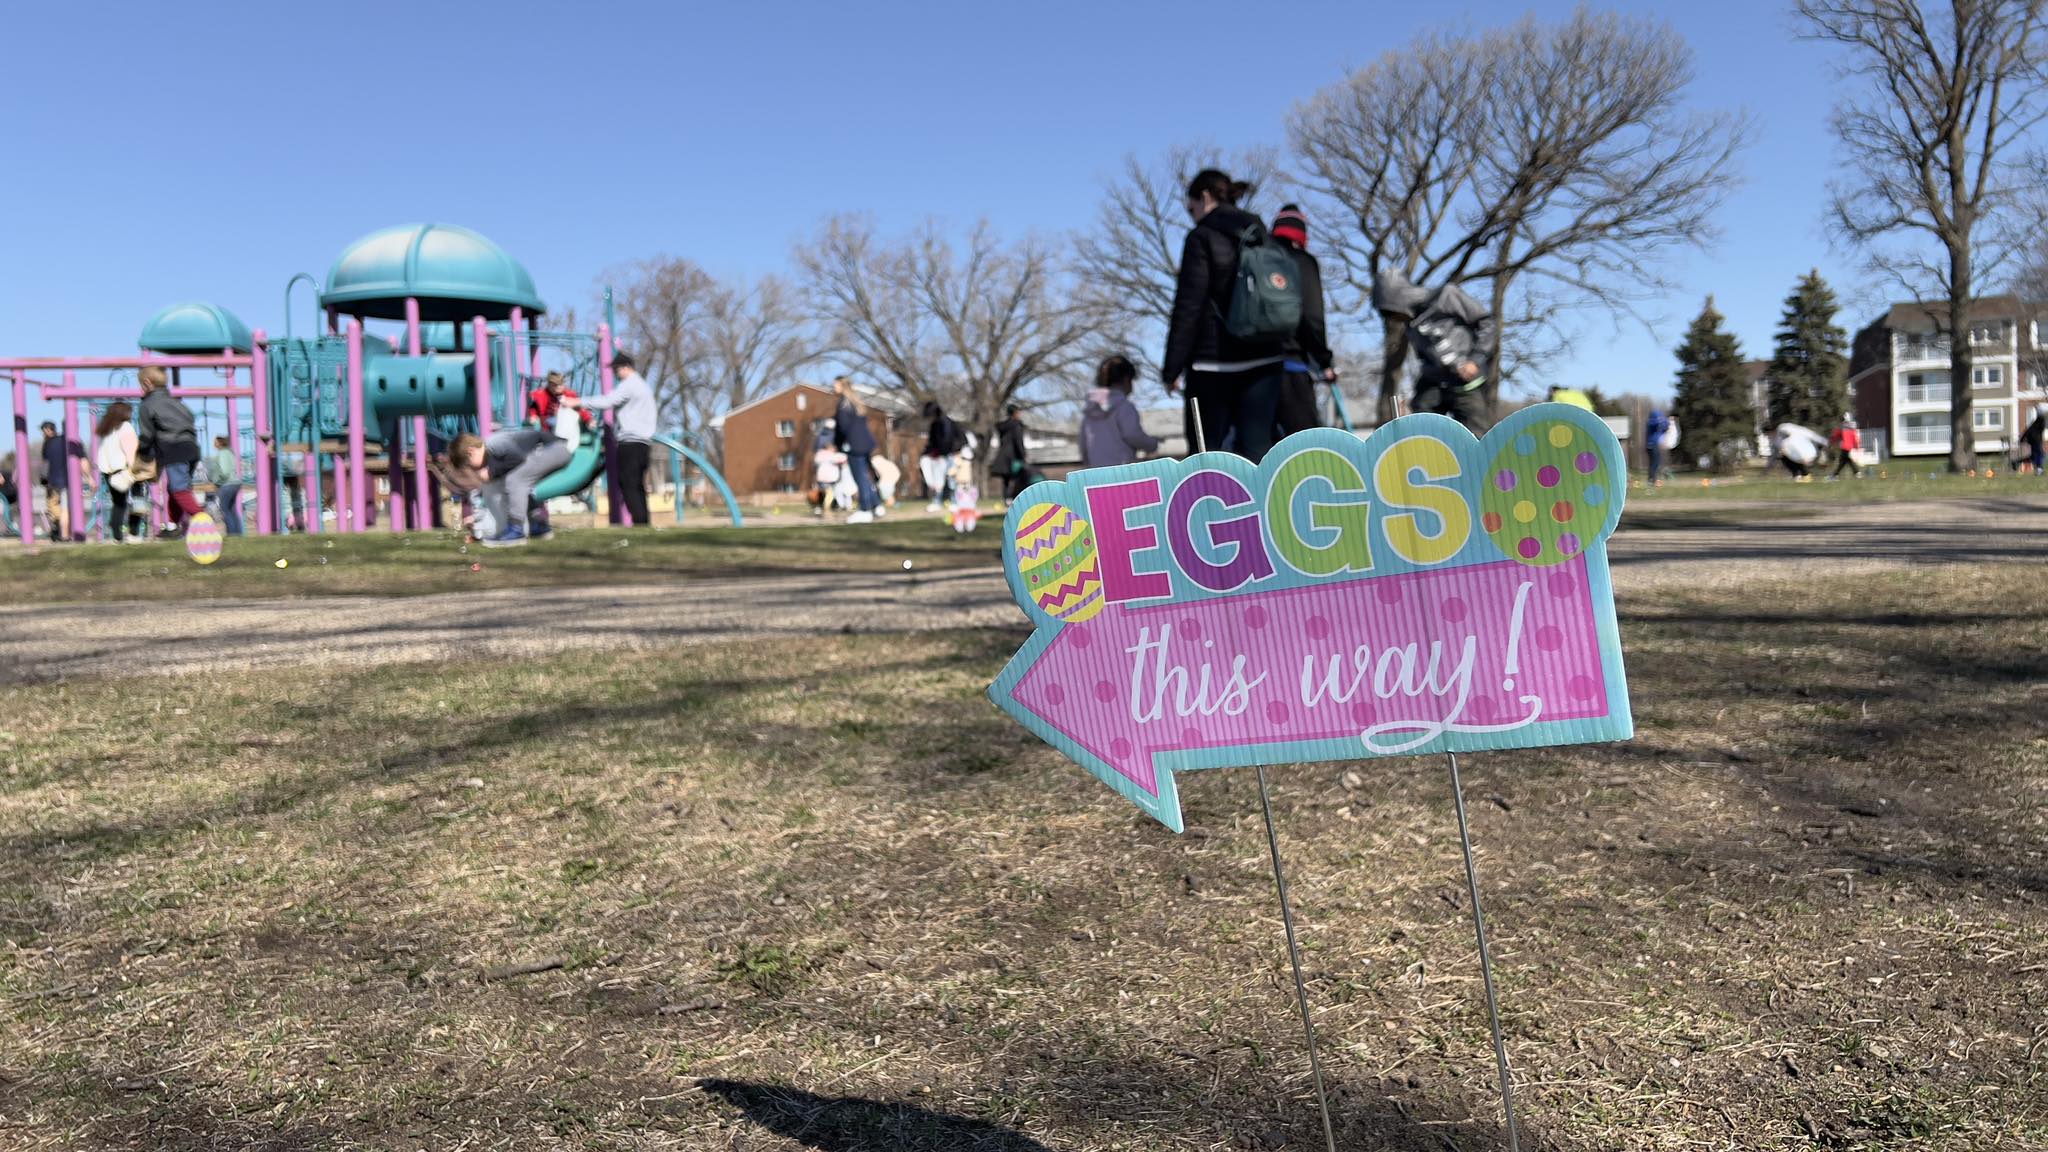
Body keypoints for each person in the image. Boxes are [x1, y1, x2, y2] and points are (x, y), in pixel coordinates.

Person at [1163, 169, 1289, 461]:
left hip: (1213, 363)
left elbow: (1189, 305)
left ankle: (1210, 507)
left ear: (1205, 196)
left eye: (1190, 206)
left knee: (1206, 457)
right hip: (1266, 355)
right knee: (1259, 452)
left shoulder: (1201, 237)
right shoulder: (1260, 233)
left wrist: (1172, 368)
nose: (1191, 214)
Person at [1373, 270, 1498, 433]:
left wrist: (1475, 359)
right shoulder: (1410, 323)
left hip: (1466, 381)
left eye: (1393, 313)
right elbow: (1424, 354)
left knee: (1476, 432)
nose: (1395, 319)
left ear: (1400, 300)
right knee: (1422, 423)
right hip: (1435, 380)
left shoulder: (1447, 296)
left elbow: (1486, 322)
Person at [1269, 204, 1336, 438]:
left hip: (1250, 373)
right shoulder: (1303, 262)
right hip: (1291, 365)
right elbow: (1312, 316)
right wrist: (1324, 360)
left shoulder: (1256, 260)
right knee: (1305, 450)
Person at [568, 352, 655, 526]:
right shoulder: (644, 386)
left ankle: (639, 522)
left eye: (616, 370)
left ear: (625, 367)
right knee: (637, 485)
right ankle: (644, 522)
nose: (615, 374)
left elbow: (608, 401)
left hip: (630, 442)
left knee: (628, 483)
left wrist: (577, 402)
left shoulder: (629, 385)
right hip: (644, 443)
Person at [136, 366, 203, 539]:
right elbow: (190, 419)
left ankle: (202, 518)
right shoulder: (177, 403)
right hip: (192, 448)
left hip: (173, 449)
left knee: (179, 489)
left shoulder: (147, 405)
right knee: (175, 488)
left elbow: (147, 434)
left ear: (147, 383)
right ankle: (172, 526)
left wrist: (142, 452)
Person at [1081, 354, 1162, 469]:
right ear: (1127, 380)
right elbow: (1132, 434)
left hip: (1096, 472)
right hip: (1122, 470)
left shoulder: (1090, 410)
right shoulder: (1124, 406)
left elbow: (1083, 444)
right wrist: (1152, 444)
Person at [832, 378, 882, 524]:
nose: (834, 387)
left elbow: (842, 428)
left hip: (854, 445)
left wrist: (839, 444)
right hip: (865, 444)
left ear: (842, 385)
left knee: (860, 478)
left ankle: (865, 510)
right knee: (865, 477)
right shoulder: (855, 403)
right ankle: (876, 505)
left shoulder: (843, 404)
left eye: (835, 384)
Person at [96, 402, 145, 543]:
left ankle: (117, 536)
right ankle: (134, 533)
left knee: (118, 504)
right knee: (138, 500)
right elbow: (131, 452)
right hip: (126, 470)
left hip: (109, 472)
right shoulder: (126, 428)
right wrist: (136, 470)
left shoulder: (107, 430)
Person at [37, 421, 86, 543]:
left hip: (53, 481)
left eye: (44, 430)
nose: (43, 433)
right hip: (63, 480)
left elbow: (45, 463)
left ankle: (62, 531)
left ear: (49, 430)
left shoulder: (49, 443)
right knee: (61, 508)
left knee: (56, 508)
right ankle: (63, 531)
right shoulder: (67, 441)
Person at [919, 401, 967, 510]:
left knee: (951, 478)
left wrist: (942, 452)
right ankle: (937, 501)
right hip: (941, 455)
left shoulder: (946, 423)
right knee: (938, 479)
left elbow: (948, 440)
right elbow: (932, 442)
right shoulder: (935, 425)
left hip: (951, 454)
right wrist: (926, 454)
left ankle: (955, 502)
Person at [992, 404, 1040, 500]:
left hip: (1003, 456)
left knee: (1006, 480)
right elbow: (1018, 441)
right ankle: (1017, 498)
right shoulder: (1016, 426)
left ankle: (1007, 499)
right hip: (1014, 456)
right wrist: (1023, 455)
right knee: (1019, 477)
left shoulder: (1003, 426)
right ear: (1015, 413)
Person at [206, 435, 247, 535]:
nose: (214, 443)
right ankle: (238, 533)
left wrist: (217, 482)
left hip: (227, 485)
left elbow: (225, 472)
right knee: (232, 510)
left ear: (220, 443)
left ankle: (232, 534)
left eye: (215, 441)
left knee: (224, 510)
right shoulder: (230, 453)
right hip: (234, 484)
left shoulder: (223, 453)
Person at [1643, 409, 1672, 486]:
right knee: (1653, 463)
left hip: (1656, 445)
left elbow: (1665, 427)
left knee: (1656, 463)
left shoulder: (1658, 427)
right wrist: (1661, 420)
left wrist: (1666, 422)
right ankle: (1651, 480)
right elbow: (1654, 423)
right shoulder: (1650, 423)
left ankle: (1653, 479)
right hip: (1651, 445)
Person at [2019, 403, 2046, 475]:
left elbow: (2027, 430)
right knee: (2039, 454)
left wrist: (2022, 439)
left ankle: (2037, 467)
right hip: (2035, 440)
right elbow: (2029, 430)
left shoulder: (2035, 423)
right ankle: (2038, 468)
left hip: (2032, 439)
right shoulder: (2040, 421)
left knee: (2037, 454)